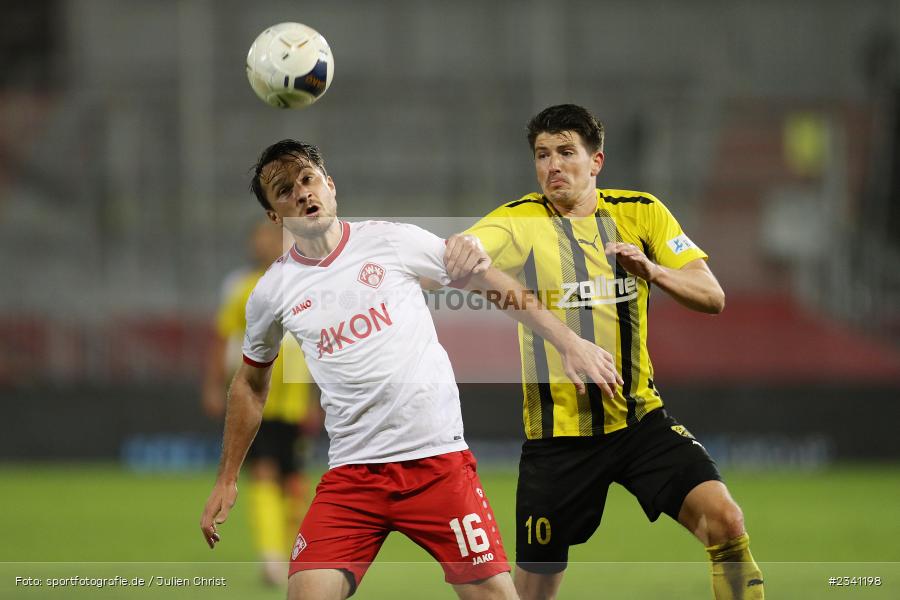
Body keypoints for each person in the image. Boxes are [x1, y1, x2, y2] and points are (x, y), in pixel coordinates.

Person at [199, 139, 621, 600]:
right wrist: (226, 477)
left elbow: (488, 282)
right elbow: (250, 384)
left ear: (330, 185)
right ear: (275, 216)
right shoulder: (271, 292)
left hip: (437, 465)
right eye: (284, 190)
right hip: (353, 476)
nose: (301, 193)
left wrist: (568, 341)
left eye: (307, 179)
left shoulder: (392, 241)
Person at [445, 104, 765, 600]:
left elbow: (713, 296)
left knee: (726, 521)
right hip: (558, 440)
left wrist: (654, 272)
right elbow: (470, 255)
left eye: (566, 152)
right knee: (534, 591)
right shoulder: (521, 221)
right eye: (542, 154)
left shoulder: (641, 211)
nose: (553, 165)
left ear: (596, 161)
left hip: (640, 422)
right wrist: (463, 250)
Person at [201, 220, 322, 585]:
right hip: (260, 399)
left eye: (271, 237)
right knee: (265, 472)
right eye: (259, 238)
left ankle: (291, 553)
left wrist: (319, 395)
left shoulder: (308, 284)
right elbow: (222, 338)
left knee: (294, 480)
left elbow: (318, 344)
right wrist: (212, 385)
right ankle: (271, 558)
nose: (264, 244)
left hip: (296, 401)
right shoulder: (243, 288)